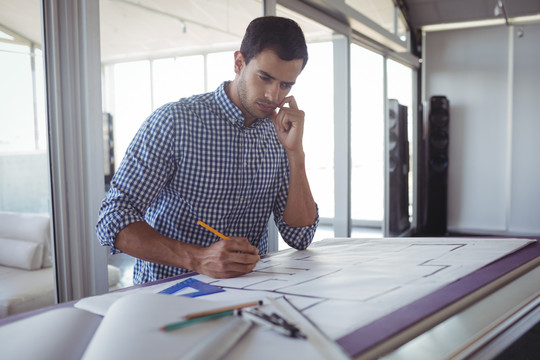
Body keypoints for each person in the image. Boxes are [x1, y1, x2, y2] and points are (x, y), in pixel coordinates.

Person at [96, 16, 319, 284]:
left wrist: (296, 154)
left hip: (249, 295)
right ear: (239, 63)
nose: (274, 96)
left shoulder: (280, 133)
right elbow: (113, 217)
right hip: (170, 295)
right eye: (265, 77)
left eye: (286, 85)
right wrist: (198, 259)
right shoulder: (175, 121)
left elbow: (300, 236)